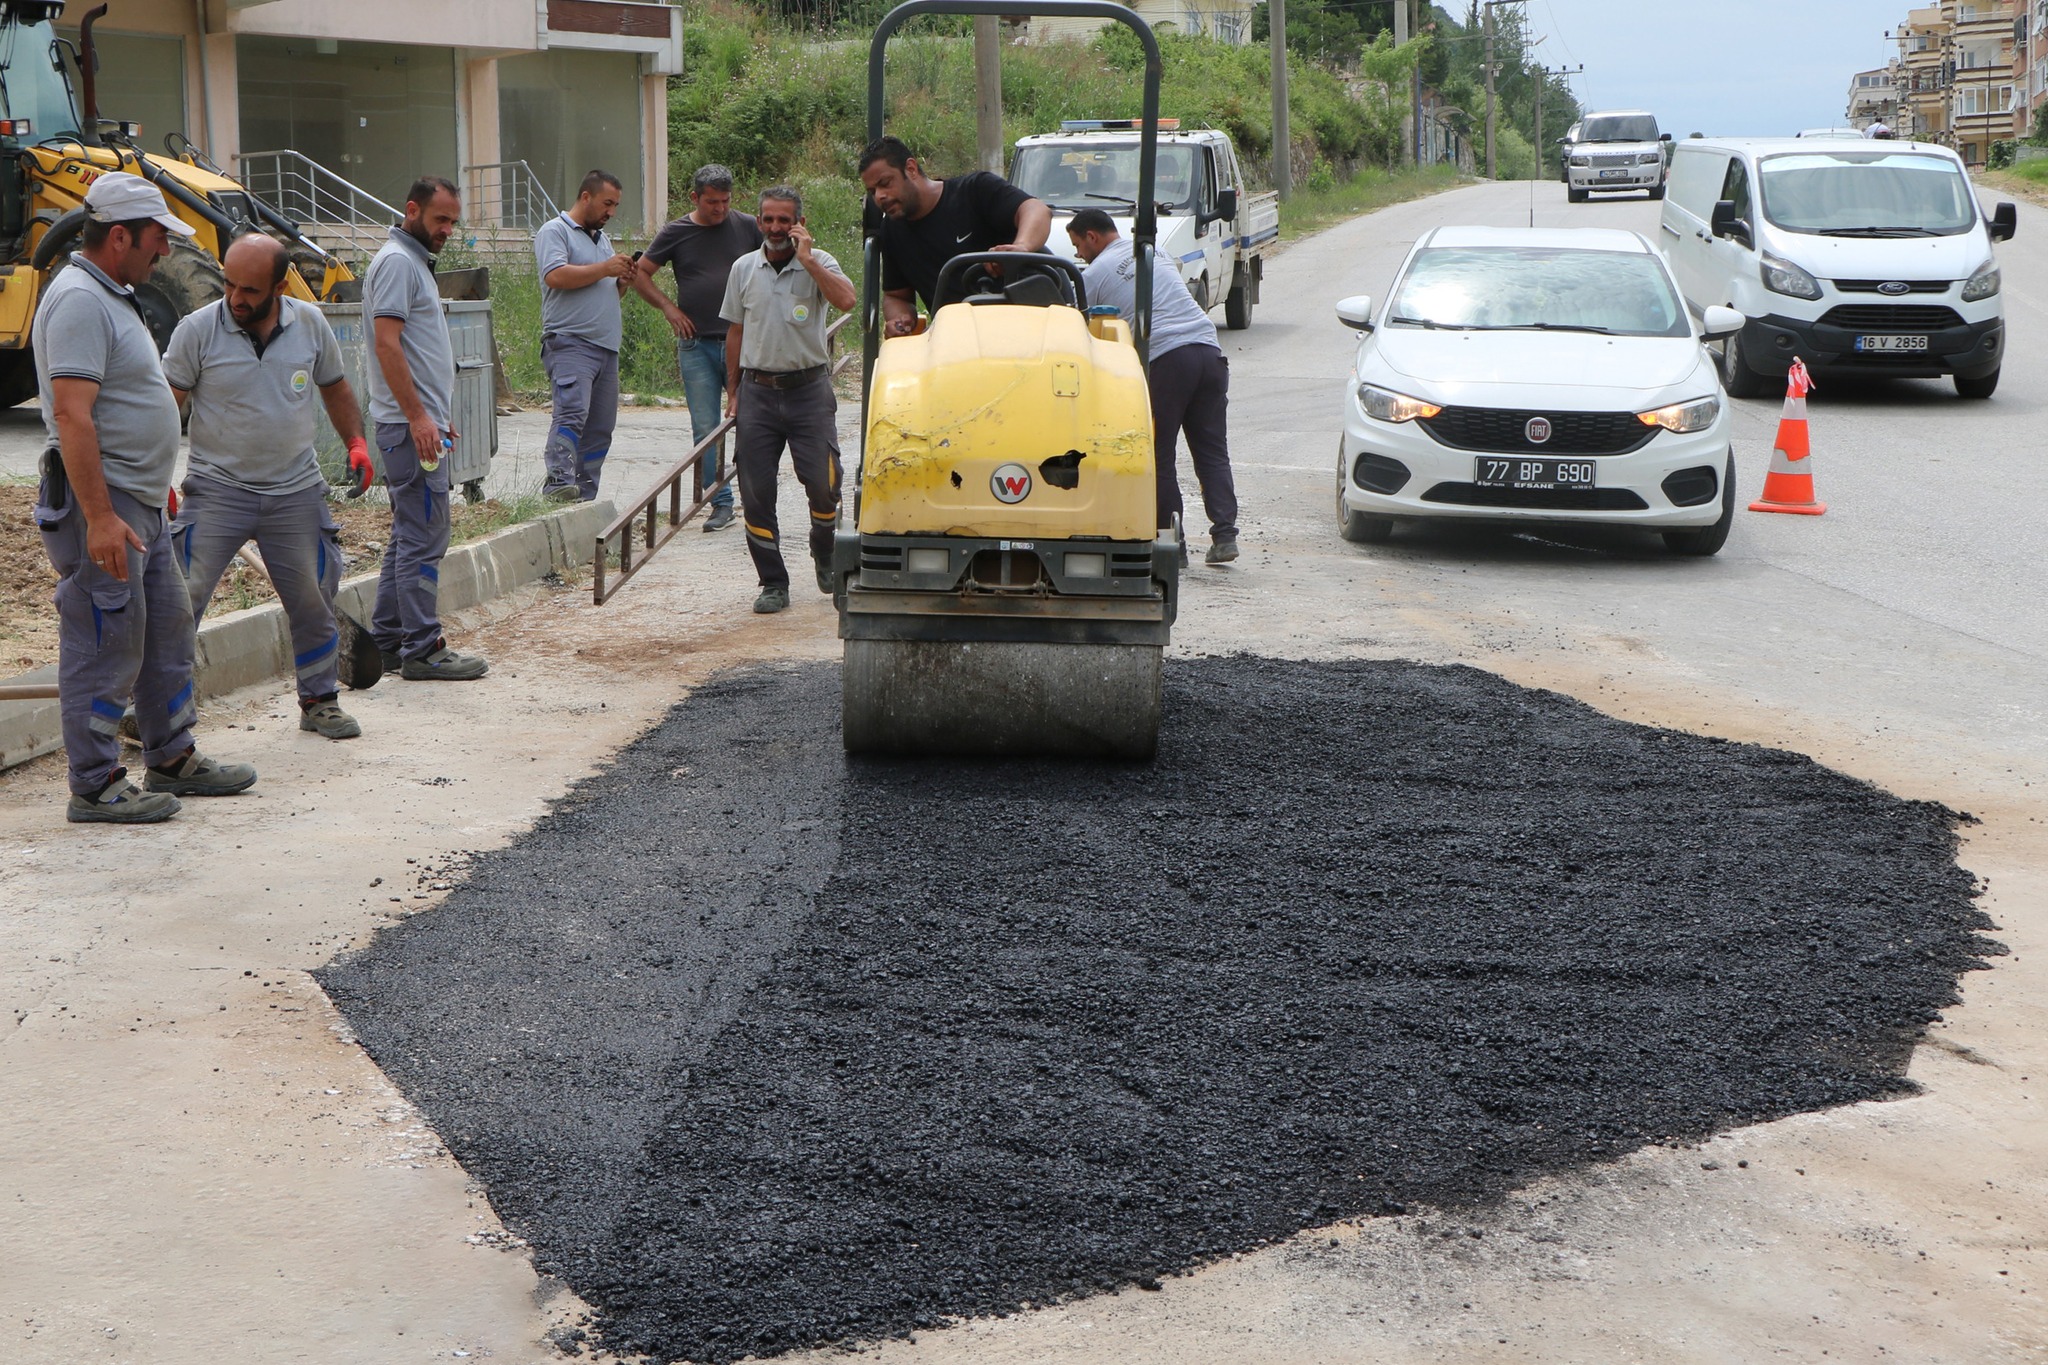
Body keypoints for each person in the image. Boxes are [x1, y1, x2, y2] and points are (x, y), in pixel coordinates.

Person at [32, 172, 256, 823]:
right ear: (121, 235)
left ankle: (172, 756)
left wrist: (155, 483)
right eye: (158, 237)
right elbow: (74, 416)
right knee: (107, 640)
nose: (164, 251)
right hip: (105, 510)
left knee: (164, 631)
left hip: (141, 504)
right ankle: (96, 781)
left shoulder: (114, 293)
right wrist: (100, 517)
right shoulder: (78, 299)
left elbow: (128, 401)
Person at [165, 234, 368, 741]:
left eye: (250, 289)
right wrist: (154, 478)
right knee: (177, 602)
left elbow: (335, 386)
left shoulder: (311, 325)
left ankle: (320, 701)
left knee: (313, 599)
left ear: (280, 287)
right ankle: (159, 713)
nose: (236, 297)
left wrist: (356, 443)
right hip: (215, 491)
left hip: (295, 492)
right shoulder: (197, 331)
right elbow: (167, 406)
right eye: (230, 284)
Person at [364, 175, 487, 681]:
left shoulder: (411, 263)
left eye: (453, 222)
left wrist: (433, 412)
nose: (447, 230)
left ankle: (390, 642)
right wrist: (418, 416)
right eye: (440, 219)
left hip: (416, 423)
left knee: (410, 533)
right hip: (406, 426)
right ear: (411, 209)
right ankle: (422, 648)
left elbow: (413, 349)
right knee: (426, 534)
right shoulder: (397, 263)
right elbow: (387, 345)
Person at [1067, 207, 1240, 565]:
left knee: (1158, 455)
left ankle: (1171, 545)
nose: (1078, 255)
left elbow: (1075, 327)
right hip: (1209, 352)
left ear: (1092, 237)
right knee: (1211, 451)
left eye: (1078, 246)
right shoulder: (1154, 251)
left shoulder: (1094, 273)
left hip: (1168, 361)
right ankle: (1224, 536)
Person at [718, 185, 857, 614]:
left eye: (785, 220)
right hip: (758, 393)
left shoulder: (821, 262)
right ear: (759, 222)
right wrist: (735, 391)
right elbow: (735, 333)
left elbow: (847, 300)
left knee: (824, 482)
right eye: (768, 220)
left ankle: (824, 548)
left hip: (809, 391)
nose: (776, 228)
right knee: (756, 491)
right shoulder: (744, 268)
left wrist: (809, 260)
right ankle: (773, 583)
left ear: (799, 223)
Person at [633, 164, 764, 533]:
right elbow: (640, 273)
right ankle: (719, 502)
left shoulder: (747, 227)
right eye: (711, 202)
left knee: (753, 423)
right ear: (695, 198)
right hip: (697, 345)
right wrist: (668, 308)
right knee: (706, 427)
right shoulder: (677, 232)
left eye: (724, 201)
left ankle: (755, 501)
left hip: (745, 342)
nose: (719, 209)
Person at [858, 136, 1052, 337]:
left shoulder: (975, 190)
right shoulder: (891, 230)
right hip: (957, 342)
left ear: (911, 169)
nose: (879, 196)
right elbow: (896, 296)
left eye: (885, 183)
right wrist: (900, 319)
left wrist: (1020, 248)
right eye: (872, 191)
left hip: (1031, 325)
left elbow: (1036, 210)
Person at [534, 169, 634, 503]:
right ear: (586, 197)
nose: (611, 212)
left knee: (601, 426)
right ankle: (559, 484)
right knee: (572, 412)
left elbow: (598, 290)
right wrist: (606, 269)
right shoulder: (555, 231)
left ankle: (585, 494)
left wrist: (618, 284)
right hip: (570, 343)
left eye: (616, 205)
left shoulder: (600, 240)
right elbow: (556, 276)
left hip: (606, 348)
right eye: (607, 203)